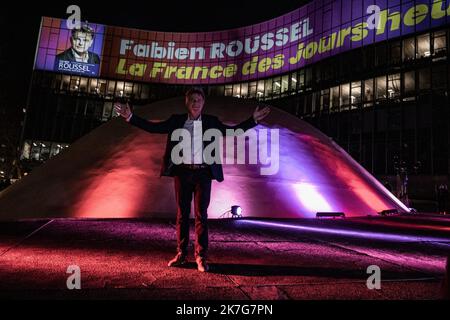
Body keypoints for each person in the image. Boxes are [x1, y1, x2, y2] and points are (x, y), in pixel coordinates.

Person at [114, 87, 270, 272]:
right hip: (183, 172)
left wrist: (252, 121)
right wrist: (131, 117)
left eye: (199, 100)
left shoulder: (211, 121)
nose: (195, 103)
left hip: (204, 174)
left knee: (201, 216)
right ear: (186, 102)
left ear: (203, 103)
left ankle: (201, 257)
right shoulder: (176, 121)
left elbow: (232, 132)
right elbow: (154, 128)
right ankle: (181, 254)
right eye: (192, 100)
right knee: (182, 215)